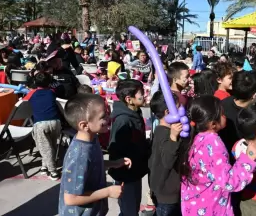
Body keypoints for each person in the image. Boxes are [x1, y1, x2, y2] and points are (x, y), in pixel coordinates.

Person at [179, 96, 256, 216]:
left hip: (194, 206)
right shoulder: (214, 144)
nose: (225, 116)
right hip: (212, 208)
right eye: (222, 114)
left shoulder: (196, 138)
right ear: (213, 124)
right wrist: (248, 159)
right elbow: (228, 182)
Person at [59, 94, 132, 216]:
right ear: (84, 125)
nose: (109, 117)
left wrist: (114, 163)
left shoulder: (92, 138)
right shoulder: (79, 155)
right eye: (103, 116)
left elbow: (91, 166)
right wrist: (108, 192)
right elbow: (70, 198)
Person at [108, 79, 149, 216]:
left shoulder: (135, 112)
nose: (145, 95)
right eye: (141, 93)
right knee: (130, 210)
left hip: (135, 170)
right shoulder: (123, 120)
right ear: (129, 99)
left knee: (133, 207)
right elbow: (115, 149)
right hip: (126, 174)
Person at [149, 91, 184, 216]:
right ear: (168, 113)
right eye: (178, 107)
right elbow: (168, 161)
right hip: (167, 194)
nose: (182, 110)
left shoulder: (160, 129)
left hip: (163, 190)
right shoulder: (165, 133)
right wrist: (173, 138)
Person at [23, 72, 62, 180]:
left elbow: (24, 102)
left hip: (40, 123)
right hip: (55, 122)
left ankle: (53, 171)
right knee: (51, 145)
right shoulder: (52, 92)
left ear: (35, 82)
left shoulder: (32, 93)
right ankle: (45, 165)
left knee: (45, 148)